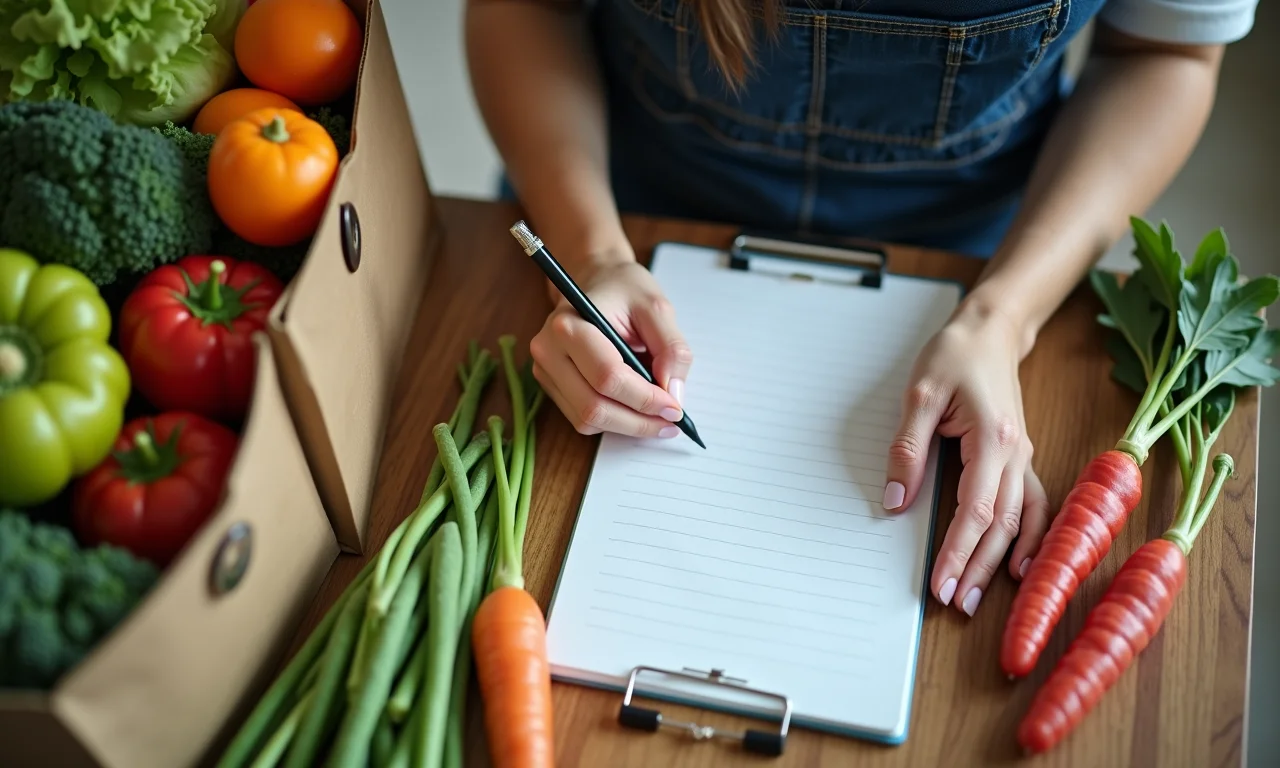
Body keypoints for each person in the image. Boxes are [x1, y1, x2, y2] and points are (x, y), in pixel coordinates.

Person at [463, 0, 1257, 617]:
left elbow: (1168, 52)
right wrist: (592, 252)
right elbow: (527, 10)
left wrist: (1005, 317)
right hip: (624, 214)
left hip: (981, 248)